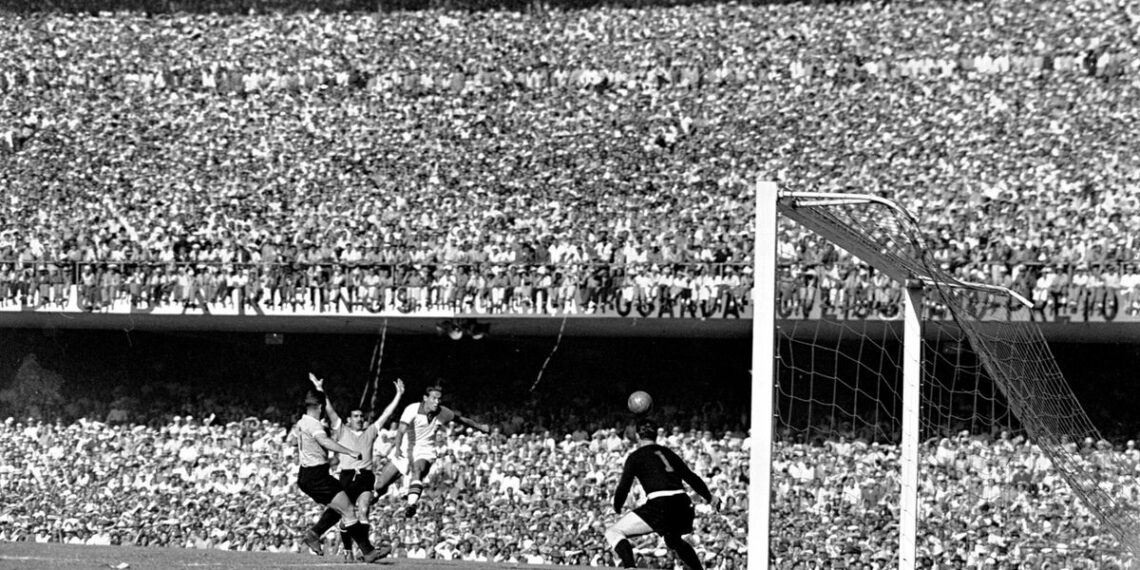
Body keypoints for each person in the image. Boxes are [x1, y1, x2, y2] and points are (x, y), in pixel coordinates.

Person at [309, 373, 405, 561]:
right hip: (347, 476)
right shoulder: (341, 430)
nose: (360, 419)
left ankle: (365, 550)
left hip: (366, 476)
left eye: (361, 416)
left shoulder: (371, 431)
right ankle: (347, 549)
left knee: (363, 510)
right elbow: (329, 410)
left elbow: (386, 414)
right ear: (349, 419)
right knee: (346, 513)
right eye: (356, 416)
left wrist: (398, 395)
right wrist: (320, 389)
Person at [286, 388, 388, 563]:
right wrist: (350, 452)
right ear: (319, 406)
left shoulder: (302, 422)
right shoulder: (314, 425)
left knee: (340, 507)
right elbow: (324, 441)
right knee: (348, 510)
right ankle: (369, 552)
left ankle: (314, 534)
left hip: (308, 474)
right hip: (317, 476)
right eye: (323, 407)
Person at [605, 420, 715, 570]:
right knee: (673, 540)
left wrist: (617, 506)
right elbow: (691, 477)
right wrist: (710, 497)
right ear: (656, 435)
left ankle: (630, 567)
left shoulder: (635, 456)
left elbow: (624, 487)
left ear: (638, 436)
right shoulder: (668, 453)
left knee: (613, 532)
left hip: (661, 504)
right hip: (683, 504)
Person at [372, 384, 491, 518]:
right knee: (380, 485)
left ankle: (411, 505)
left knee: (417, 470)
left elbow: (461, 420)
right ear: (425, 398)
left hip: (425, 450)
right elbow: (400, 431)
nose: (437, 402)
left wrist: (480, 426)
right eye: (434, 398)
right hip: (405, 449)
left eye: (439, 399)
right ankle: (376, 496)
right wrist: (398, 448)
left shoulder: (443, 412)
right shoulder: (412, 409)